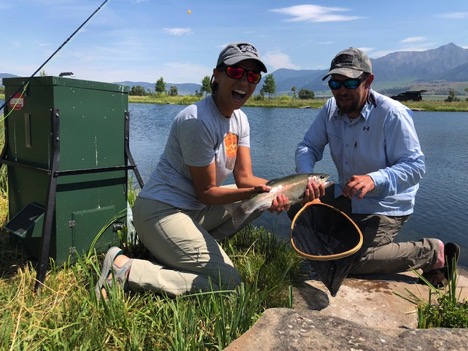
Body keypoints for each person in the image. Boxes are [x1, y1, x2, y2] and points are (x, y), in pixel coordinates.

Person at [95, 42, 291, 299]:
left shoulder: (240, 119)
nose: (245, 81)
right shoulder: (197, 120)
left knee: (258, 200)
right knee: (228, 281)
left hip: (192, 212)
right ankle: (127, 269)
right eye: (236, 72)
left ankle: (184, 249)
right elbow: (207, 193)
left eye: (252, 76)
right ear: (217, 75)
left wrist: (283, 191)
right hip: (161, 212)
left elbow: (244, 179)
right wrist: (257, 191)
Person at [288, 47, 460, 287]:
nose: (341, 91)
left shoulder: (392, 114)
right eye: (335, 84)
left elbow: (415, 166)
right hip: (346, 196)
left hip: (385, 206)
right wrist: (308, 180)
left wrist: (374, 179)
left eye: (349, 82)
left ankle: (432, 252)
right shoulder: (330, 109)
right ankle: (340, 240)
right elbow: (308, 146)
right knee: (294, 203)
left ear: (368, 80)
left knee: (350, 262)